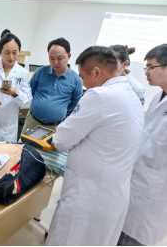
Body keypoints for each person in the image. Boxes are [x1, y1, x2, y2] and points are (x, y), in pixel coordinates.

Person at [46, 46, 144, 246]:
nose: (83, 83)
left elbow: (61, 139)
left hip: (88, 196)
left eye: (83, 77)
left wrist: (61, 132)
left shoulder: (99, 96)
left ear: (96, 72)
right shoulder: (132, 96)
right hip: (113, 194)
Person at [119, 44, 167, 246]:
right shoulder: (158, 97)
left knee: (134, 238)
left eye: (150, 67)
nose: (146, 72)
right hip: (138, 178)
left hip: (155, 188)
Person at [21, 38, 82, 136]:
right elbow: (30, 91)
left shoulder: (76, 79)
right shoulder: (41, 72)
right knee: (23, 144)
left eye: (60, 58)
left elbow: (75, 102)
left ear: (69, 56)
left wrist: (60, 110)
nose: (55, 62)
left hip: (54, 127)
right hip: (32, 121)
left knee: (47, 147)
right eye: (52, 58)